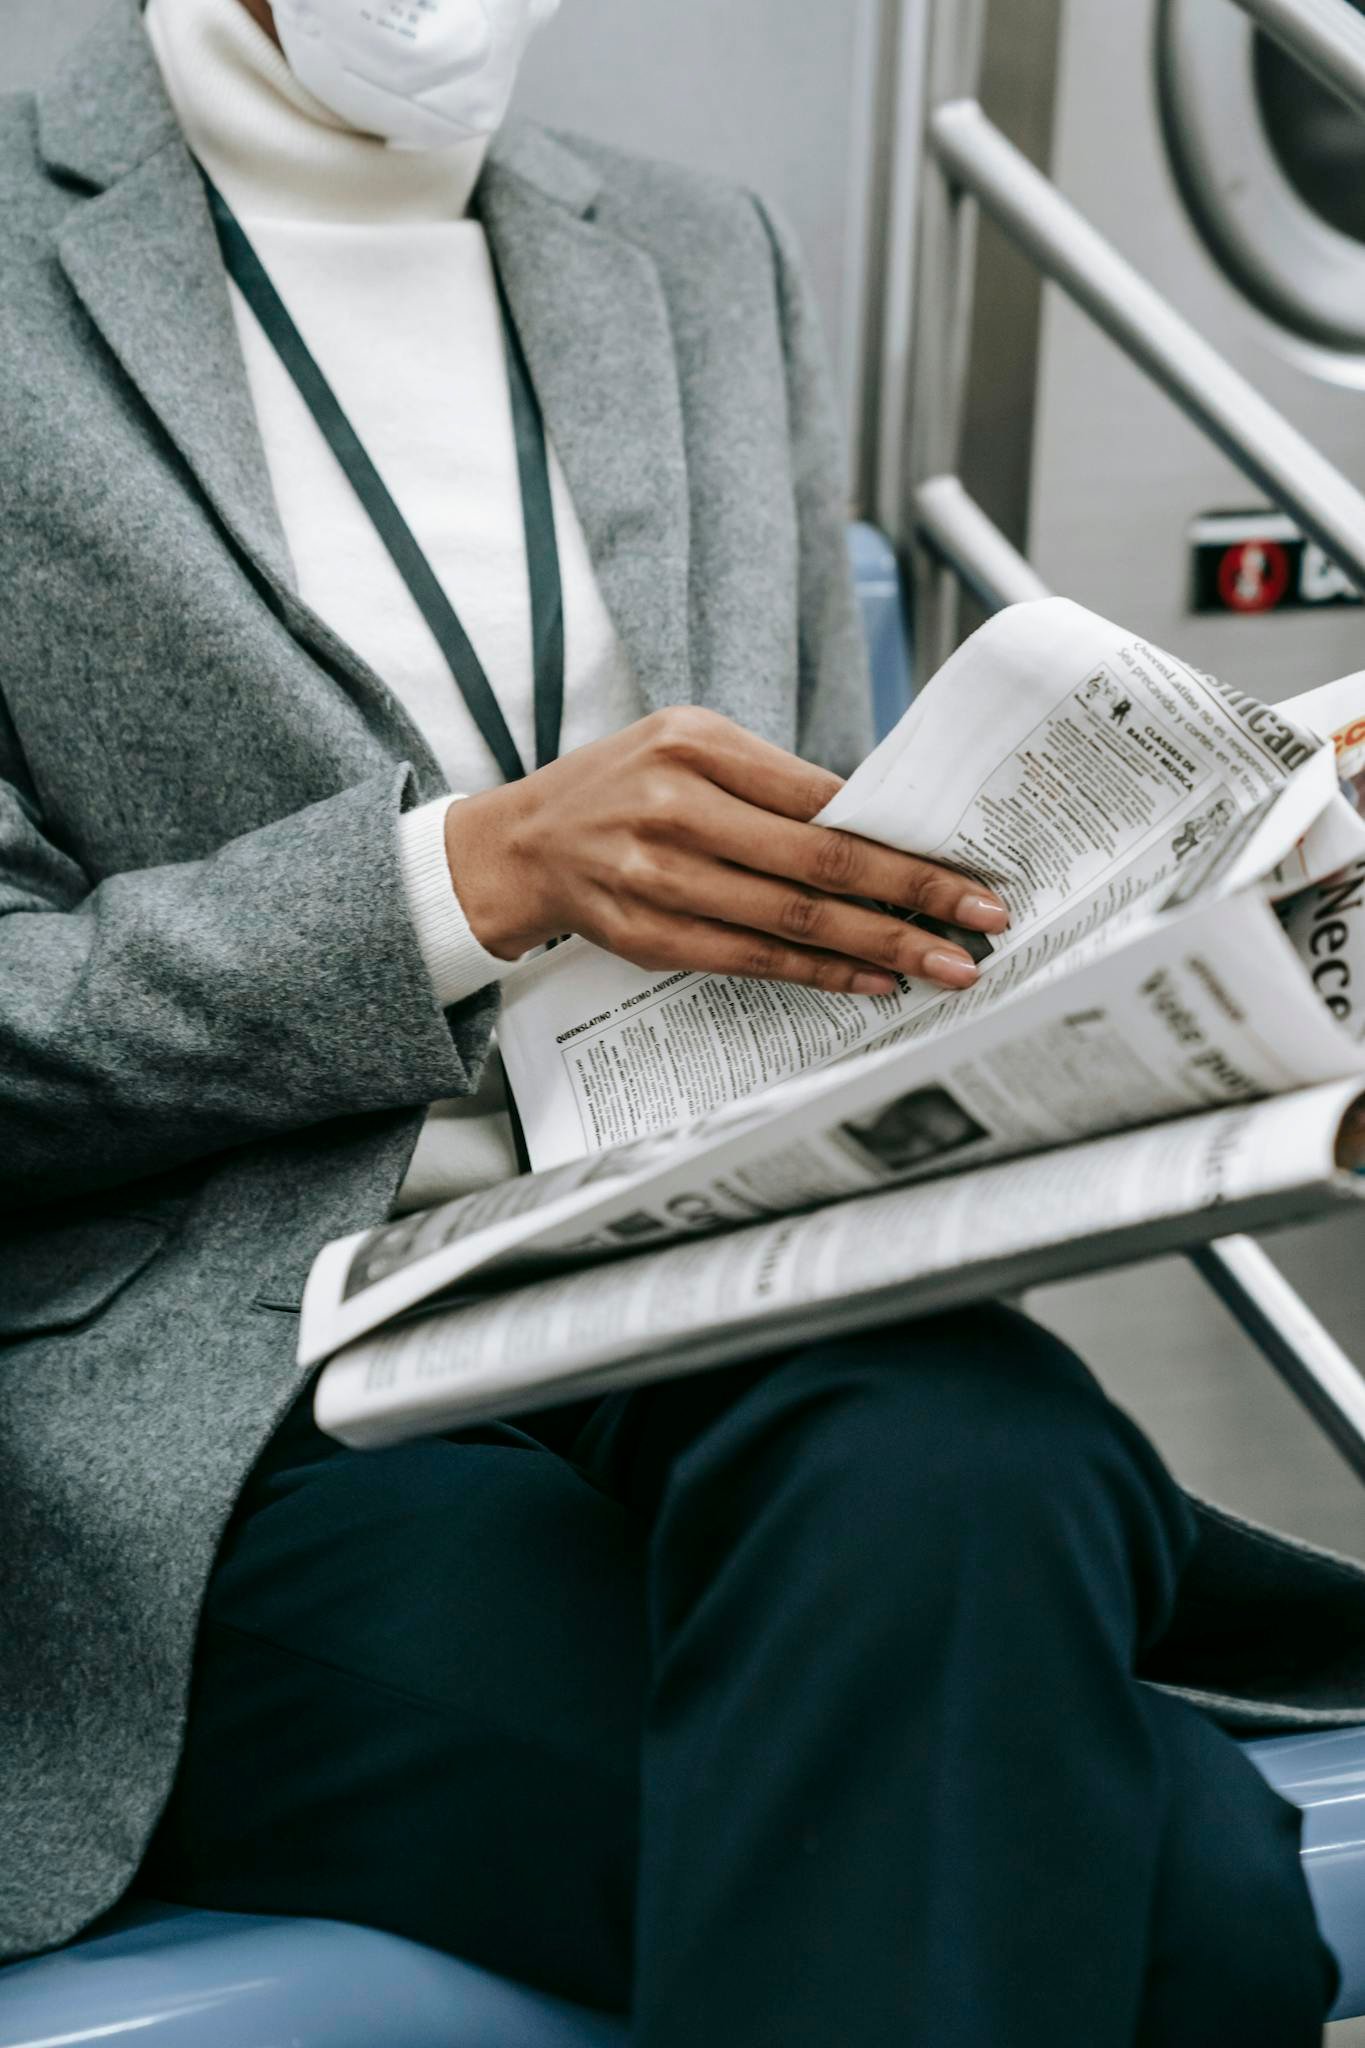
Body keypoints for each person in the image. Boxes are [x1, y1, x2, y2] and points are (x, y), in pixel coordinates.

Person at [0, 1, 1360, 2040]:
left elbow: (830, 876)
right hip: (226, 1400)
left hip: (691, 1270)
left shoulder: (700, 252)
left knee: (981, 1433)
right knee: (1190, 1904)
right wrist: (458, 882)